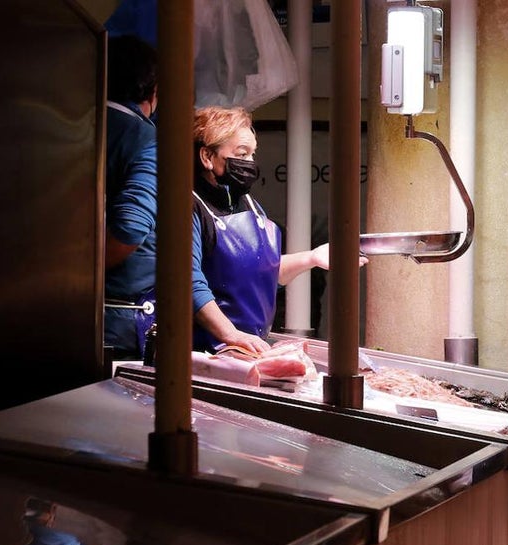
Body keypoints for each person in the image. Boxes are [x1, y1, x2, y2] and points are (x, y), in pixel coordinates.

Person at [189, 106, 364, 354]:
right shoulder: (189, 205)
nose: (250, 163)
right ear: (207, 156)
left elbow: (262, 272)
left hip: (242, 348)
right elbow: (189, 282)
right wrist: (231, 334)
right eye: (242, 154)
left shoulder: (248, 204)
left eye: (252, 154)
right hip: (200, 350)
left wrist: (312, 257)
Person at [103, 34, 160, 360]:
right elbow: (129, 229)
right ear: (152, 91)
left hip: (62, 310)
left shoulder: (74, 126)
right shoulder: (145, 138)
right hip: (121, 319)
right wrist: (82, 279)